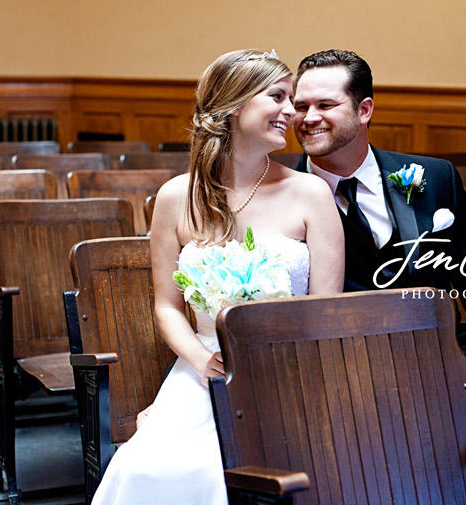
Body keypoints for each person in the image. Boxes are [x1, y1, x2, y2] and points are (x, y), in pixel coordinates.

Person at [92, 49, 344, 505]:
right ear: (233, 106)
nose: (293, 112)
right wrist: (202, 362)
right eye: (278, 97)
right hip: (204, 368)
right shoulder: (174, 198)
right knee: (152, 469)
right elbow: (167, 305)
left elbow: (326, 307)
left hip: (292, 370)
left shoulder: (311, 194)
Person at [292, 49, 466, 324]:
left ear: (364, 110)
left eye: (325, 105)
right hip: (340, 358)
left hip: (438, 353)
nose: (309, 118)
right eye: (300, 107)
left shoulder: (437, 177)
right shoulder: (278, 195)